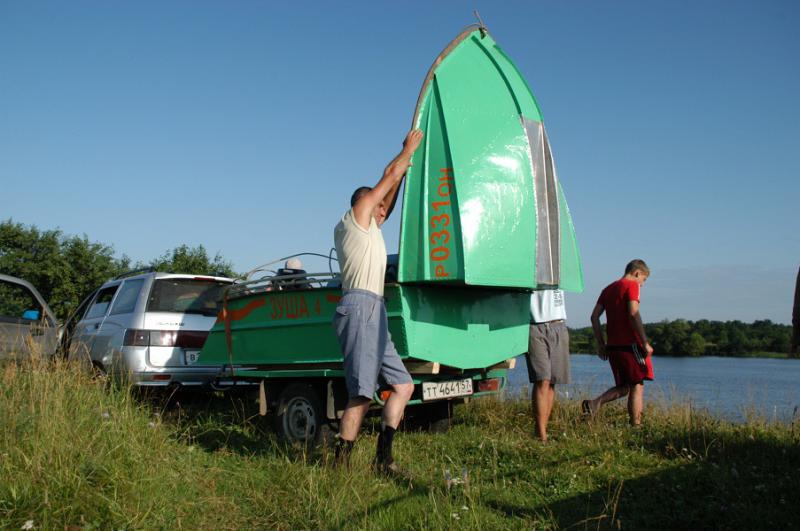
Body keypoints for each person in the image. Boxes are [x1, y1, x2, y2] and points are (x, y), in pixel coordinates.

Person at [331, 129, 423, 473]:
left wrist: (403, 171)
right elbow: (388, 177)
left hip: (376, 310)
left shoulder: (371, 229)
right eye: (379, 205)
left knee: (403, 385)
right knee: (361, 392)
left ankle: (383, 458)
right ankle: (340, 465)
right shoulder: (355, 219)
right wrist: (406, 150)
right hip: (359, 307)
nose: (385, 211)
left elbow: (391, 189)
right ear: (364, 204)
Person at [582, 259, 654, 426]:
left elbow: (594, 317)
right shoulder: (632, 285)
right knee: (637, 385)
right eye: (643, 280)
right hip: (630, 345)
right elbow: (633, 313)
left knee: (624, 387)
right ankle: (636, 427)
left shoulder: (608, 289)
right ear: (637, 273)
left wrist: (601, 344)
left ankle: (593, 404)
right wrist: (645, 342)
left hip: (613, 346)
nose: (642, 285)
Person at [526, 288, 569, 442]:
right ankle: (541, 435)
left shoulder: (560, 272)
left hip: (558, 324)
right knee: (542, 379)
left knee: (551, 382)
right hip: (534, 324)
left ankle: (542, 430)